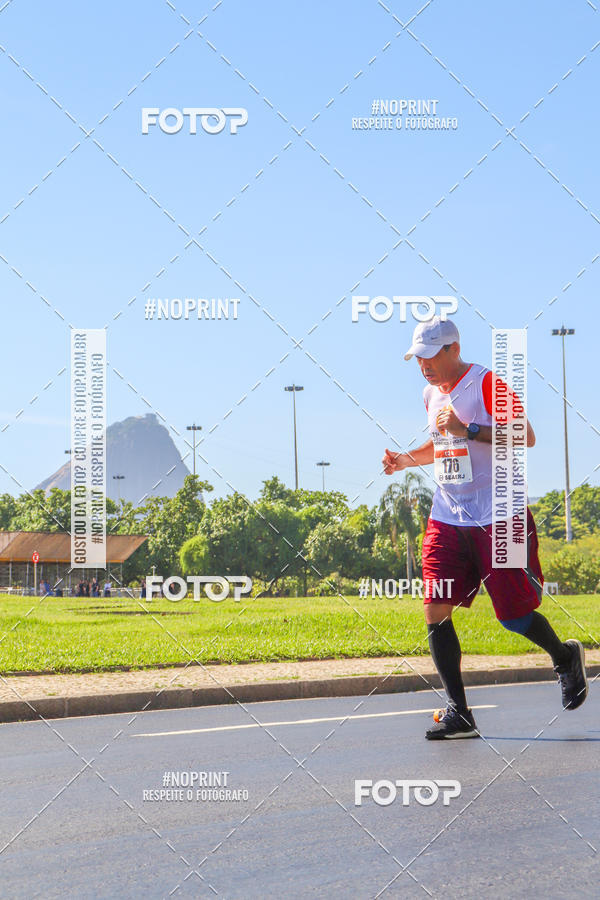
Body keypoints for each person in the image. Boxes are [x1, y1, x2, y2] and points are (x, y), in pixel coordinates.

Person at [383, 316, 588, 740]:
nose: (422, 366)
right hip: (447, 515)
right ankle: (460, 711)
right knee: (435, 607)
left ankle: (564, 657)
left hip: (500, 515)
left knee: (513, 617)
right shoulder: (429, 394)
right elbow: (442, 445)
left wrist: (469, 429)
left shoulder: (486, 383)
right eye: (416, 358)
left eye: (428, 356)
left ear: (452, 349)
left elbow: (525, 436)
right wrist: (405, 459)